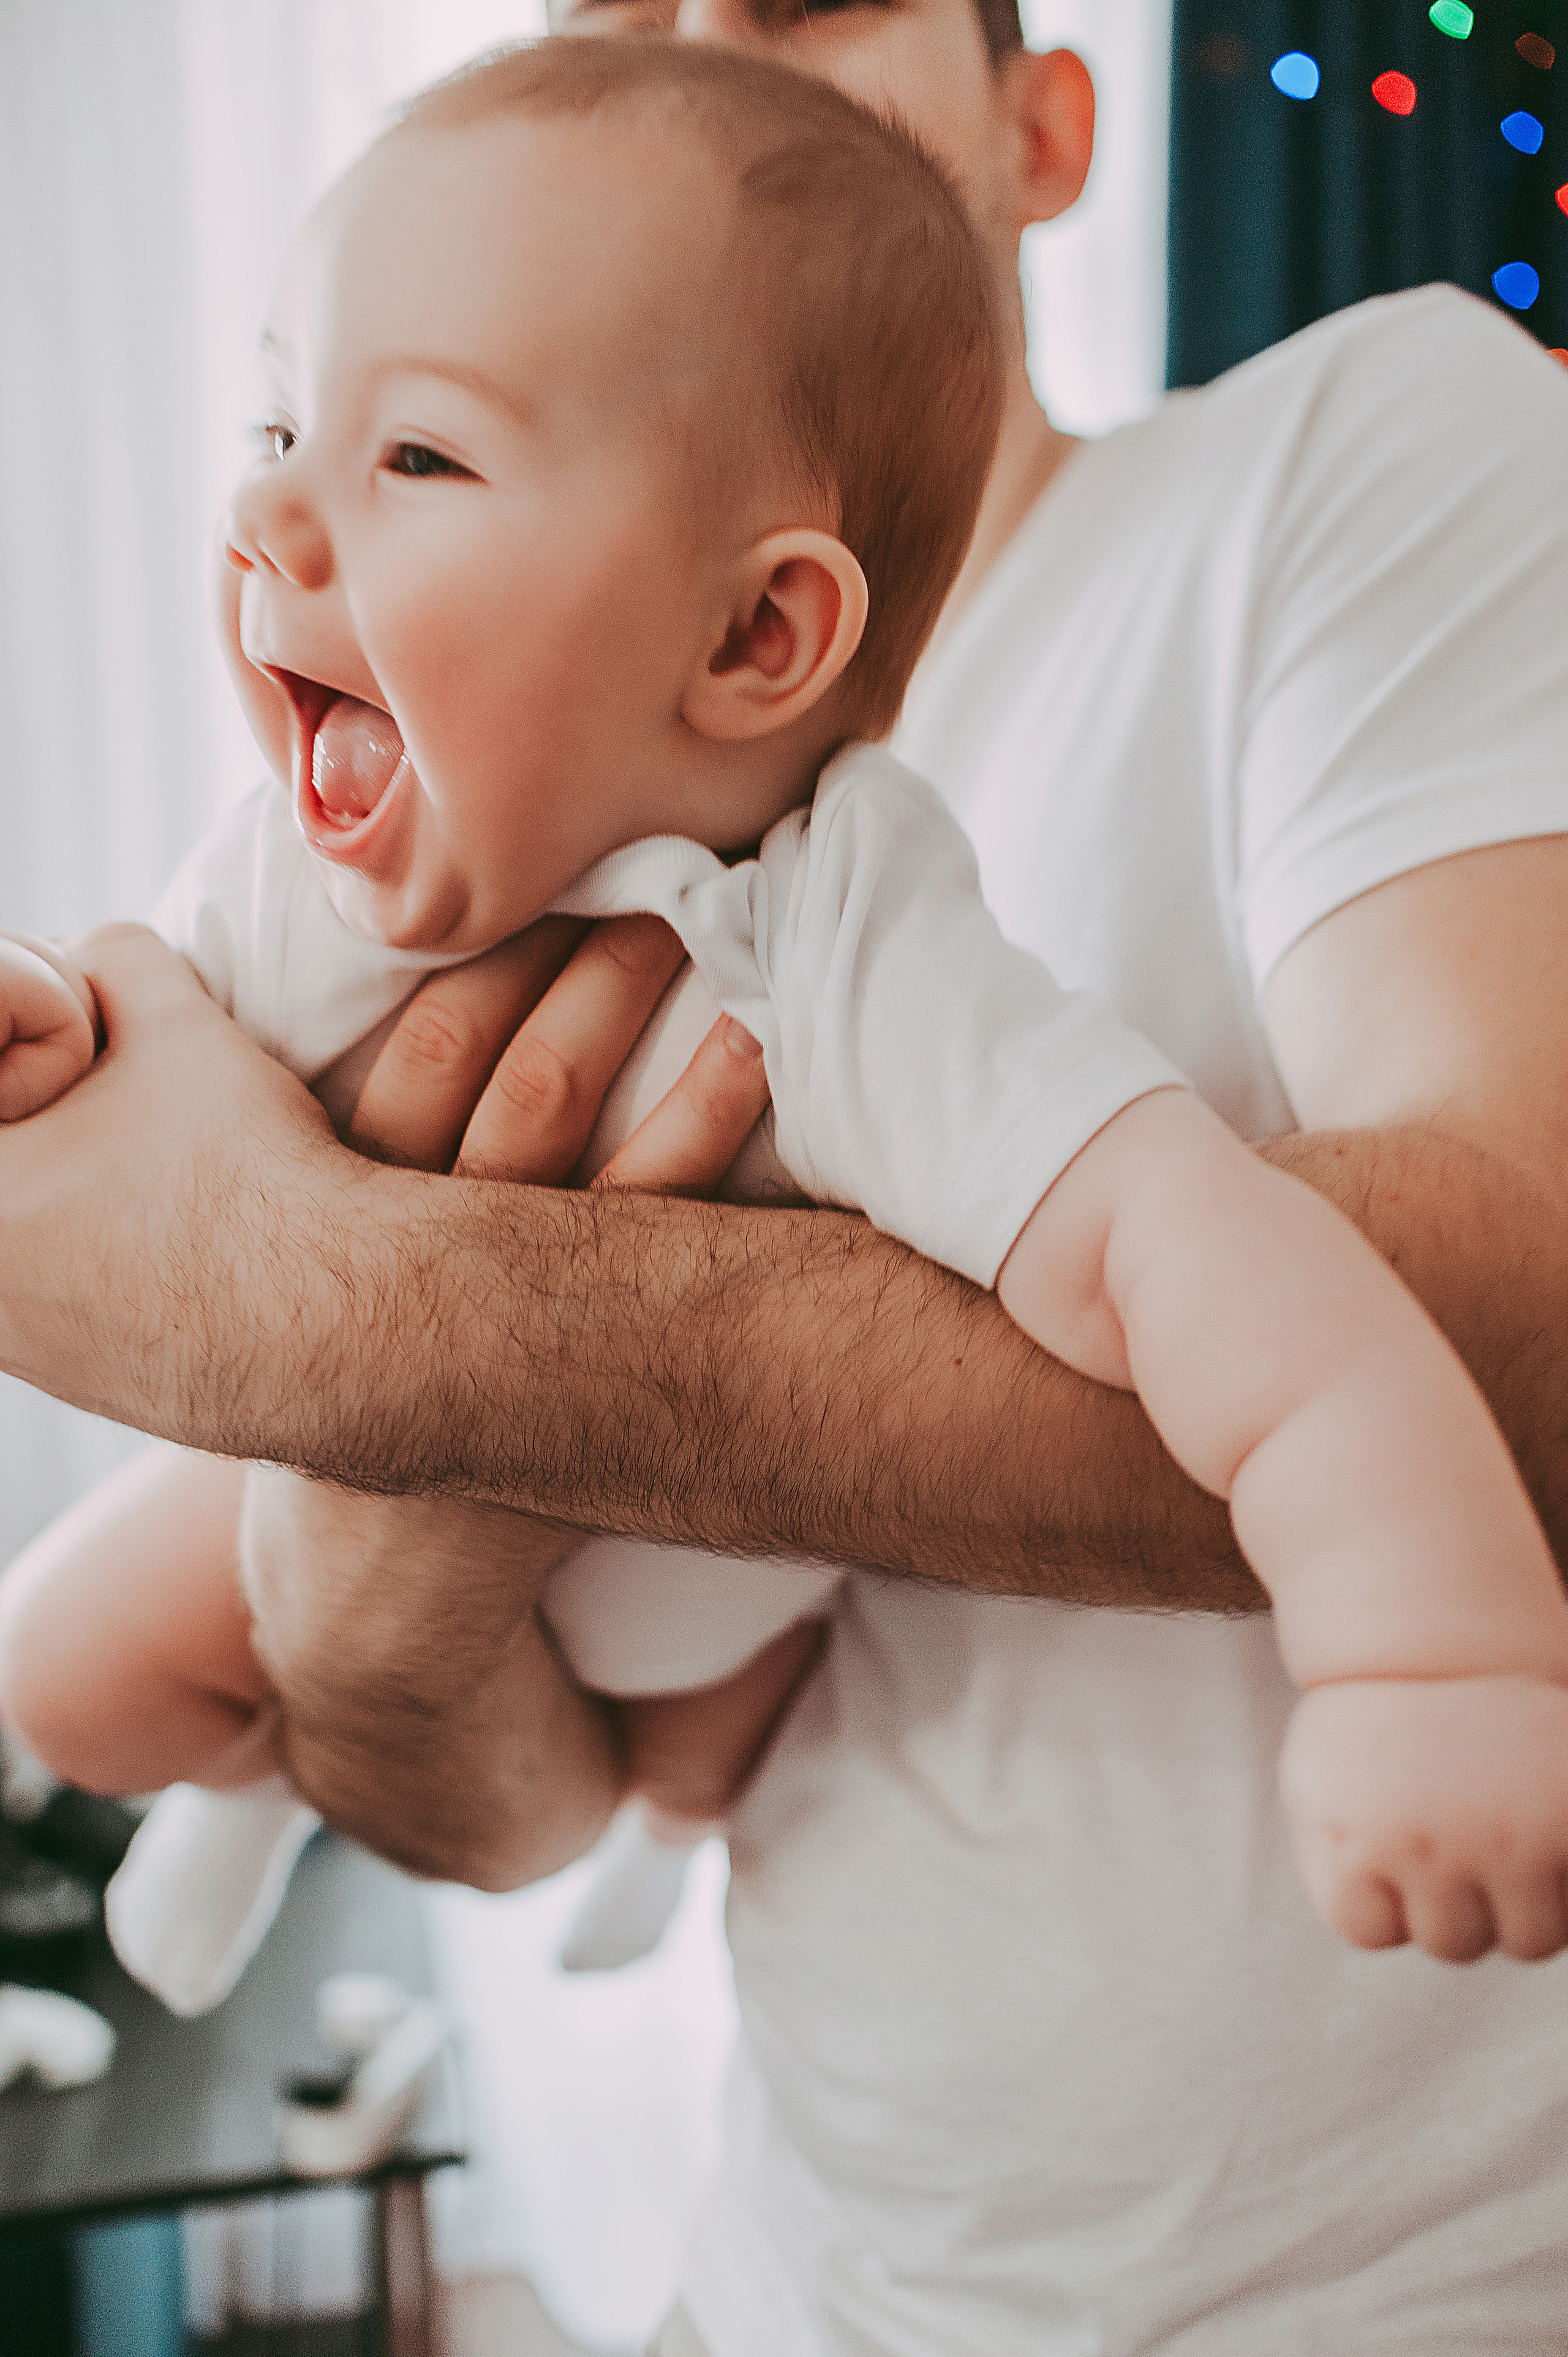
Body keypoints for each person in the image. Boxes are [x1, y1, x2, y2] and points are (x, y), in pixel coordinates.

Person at [2, 2, 1568, 2349]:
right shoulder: (335, 843)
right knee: (75, 1669)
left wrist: (1433, 1653)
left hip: (1357, 2300)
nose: (695, 34)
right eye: (277, 430)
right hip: (809, 2255)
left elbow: (1351, 1289)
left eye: (416, 452)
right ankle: (231, 1839)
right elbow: (142, 1040)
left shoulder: (875, 882)